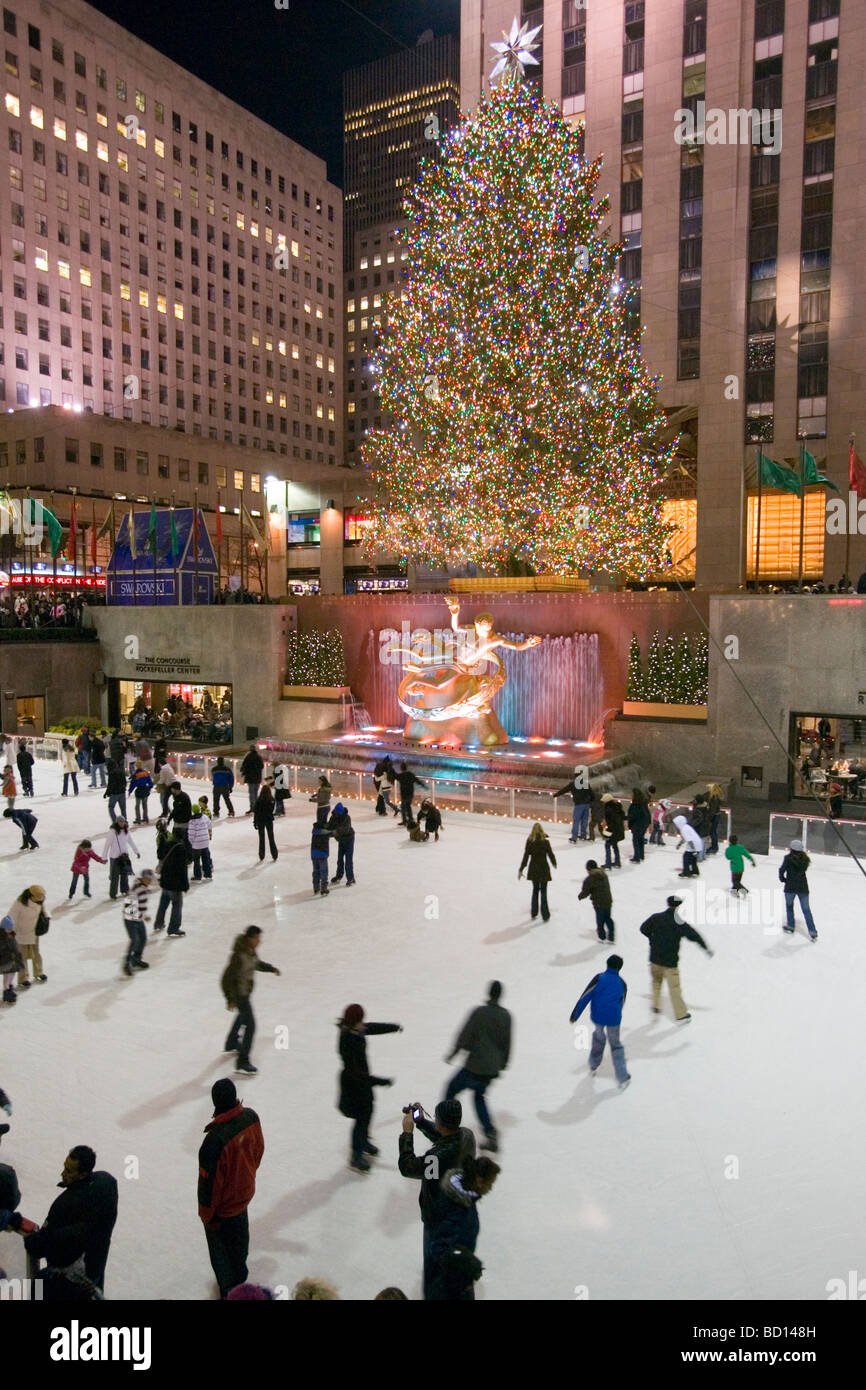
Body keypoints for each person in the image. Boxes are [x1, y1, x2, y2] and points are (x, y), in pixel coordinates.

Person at [398, 1099, 476, 1301]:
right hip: (461, 1213)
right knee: (458, 1265)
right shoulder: (467, 1136)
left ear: (440, 1122)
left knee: (434, 1269)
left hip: (438, 1218)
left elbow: (408, 1167)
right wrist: (421, 1121)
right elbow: (444, 1139)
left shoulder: (435, 1158)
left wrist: (407, 1133)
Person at [198, 1079, 264, 1298]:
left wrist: (208, 1216)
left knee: (221, 1254)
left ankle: (230, 1290)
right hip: (243, 1198)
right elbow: (258, 1152)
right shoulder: (251, 1118)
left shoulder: (214, 1141)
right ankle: (240, 1277)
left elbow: (209, 1187)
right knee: (239, 1241)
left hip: (222, 1210)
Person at [21, 1147, 118, 1295]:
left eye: (69, 1171)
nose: (63, 1173)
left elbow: (40, 1245)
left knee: (38, 1287)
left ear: (83, 1174)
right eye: (64, 1167)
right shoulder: (106, 1183)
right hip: (93, 1272)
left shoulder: (65, 1205)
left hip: (66, 1281)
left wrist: (33, 1241)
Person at [443, 981, 511, 1153]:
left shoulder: (479, 1013)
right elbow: (507, 1043)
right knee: (478, 1097)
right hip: (490, 1070)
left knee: (451, 1090)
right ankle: (490, 1133)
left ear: (489, 993)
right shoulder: (506, 1016)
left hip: (474, 1067)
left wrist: (455, 1052)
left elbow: (465, 1034)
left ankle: (445, 1129)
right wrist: (502, 1064)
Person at [337, 1004, 401, 1172]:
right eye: (360, 1020)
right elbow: (357, 1075)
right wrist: (381, 1081)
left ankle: (363, 1141)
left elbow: (371, 1027)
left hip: (361, 1081)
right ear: (354, 1021)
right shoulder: (348, 1039)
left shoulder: (354, 1029)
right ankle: (356, 1156)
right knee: (361, 1119)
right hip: (355, 1084)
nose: (363, 1023)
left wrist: (392, 1027)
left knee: (368, 1113)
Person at [429, 1154, 500, 1296]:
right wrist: (465, 1260)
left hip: (460, 1276)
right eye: (490, 1183)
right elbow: (438, 1250)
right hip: (450, 1285)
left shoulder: (466, 1200)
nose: (491, 1188)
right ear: (479, 1180)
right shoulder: (455, 1208)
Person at [640, 895, 713, 1023]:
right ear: (678, 906)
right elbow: (694, 935)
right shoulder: (679, 923)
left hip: (654, 959)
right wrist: (705, 947)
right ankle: (681, 1014)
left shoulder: (656, 917)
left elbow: (643, 928)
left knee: (656, 982)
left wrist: (652, 939)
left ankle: (655, 1005)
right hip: (670, 962)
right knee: (674, 988)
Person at [220, 926, 281, 1074]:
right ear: (249, 938)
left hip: (245, 992)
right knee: (251, 1026)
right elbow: (226, 979)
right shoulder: (238, 956)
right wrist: (229, 998)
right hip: (239, 994)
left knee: (242, 1016)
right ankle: (243, 1061)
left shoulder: (249, 951)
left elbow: (257, 964)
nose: (259, 942)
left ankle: (231, 1042)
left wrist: (271, 969)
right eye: (257, 938)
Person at [569, 953, 631, 1088]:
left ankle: (593, 1063)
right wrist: (617, 1013)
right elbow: (623, 1001)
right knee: (615, 1044)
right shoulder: (622, 983)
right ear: (620, 968)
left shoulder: (599, 979)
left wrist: (575, 1014)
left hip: (598, 1016)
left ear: (607, 964)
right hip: (614, 1018)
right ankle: (622, 1076)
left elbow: (585, 996)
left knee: (598, 1037)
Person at [153, 831, 193, 936]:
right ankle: (173, 928)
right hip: (175, 885)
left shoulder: (167, 845)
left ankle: (158, 923)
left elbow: (160, 855)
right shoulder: (181, 849)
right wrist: (185, 885)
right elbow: (182, 869)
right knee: (177, 906)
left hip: (165, 881)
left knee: (163, 904)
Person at [8, 885, 49, 988]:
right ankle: (23, 979)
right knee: (22, 956)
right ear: (31, 896)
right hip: (21, 933)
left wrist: (47, 917)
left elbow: (44, 910)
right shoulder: (19, 904)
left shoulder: (39, 901)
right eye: (38, 898)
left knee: (36, 953)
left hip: (34, 932)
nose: (41, 900)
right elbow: (11, 917)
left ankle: (38, 972)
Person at [779, 839, 818, 940]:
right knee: (806, 910)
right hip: (803, 888)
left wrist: (783, 879)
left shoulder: (787, 859)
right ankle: (812, 931)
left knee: (789, 906)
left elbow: (781, 870)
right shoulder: (805, 860)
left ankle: (791, 926)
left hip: (790, 887)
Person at [518, 822, 556, 921]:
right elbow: (551, 854)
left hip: (534, 868)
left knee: (535, 890)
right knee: (544, 891)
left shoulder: (530, 842)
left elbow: (526, 856)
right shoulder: (545, 842)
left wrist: (521, 868)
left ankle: (534, 912)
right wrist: (554, 863)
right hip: (543, 868)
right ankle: (545, 914)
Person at [122, 869, 156, 976]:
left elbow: (142, 906)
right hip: (130, 919)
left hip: (138, 918)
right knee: (134, 940)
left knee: (143, 938)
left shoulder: (143, 888)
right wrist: (142, 916)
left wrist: (143, 916)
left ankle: (136, 959)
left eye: (150, 879)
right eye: (148, 879)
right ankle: (127, 963)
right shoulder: (136, 890)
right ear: (143, 878)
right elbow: (129, 906)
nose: (150, 881)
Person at [102, 819, 140, 900]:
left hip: (124, 856)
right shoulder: (112, 832)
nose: (122, 823)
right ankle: (113, 894)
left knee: (124, 875)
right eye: (120, 822)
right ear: (117, 822)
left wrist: (136, 851)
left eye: (123, 822)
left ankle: (125, 890)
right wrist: (104, 857)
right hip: (114, 857)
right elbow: (107, 844)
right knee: (114, 877)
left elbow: (131, 842)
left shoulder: (126, 831)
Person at [578, 860, 615, 942]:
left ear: (589, 868)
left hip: (599, 903)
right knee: (608, 918)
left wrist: (580, 896)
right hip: (608, 900)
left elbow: (585, 892)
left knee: (600, 920)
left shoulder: (590, 879)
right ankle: (611, 936)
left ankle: (602, 937)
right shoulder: (604, 874)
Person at [554, 768, 595, 842]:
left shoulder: (573, 784)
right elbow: (592, 794)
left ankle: (574, 837)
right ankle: (583, 835)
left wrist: (556, 794)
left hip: (579, 805)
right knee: (584, 820)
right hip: (586, 804)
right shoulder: (585, 783)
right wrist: (590, 801)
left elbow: (564, 790)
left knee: (576, 821)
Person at [328, 802, 355, 885]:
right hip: (341, 840)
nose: (337, 814)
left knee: (348, 860)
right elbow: (329, 826)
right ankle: (339, 875)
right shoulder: (333, 817)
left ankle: (351, 878)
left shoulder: (347, 818)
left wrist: (333, 833)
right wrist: (323, 829)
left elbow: (344, 830)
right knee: (340, 859)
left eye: (339, 813)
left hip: (349, 839)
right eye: (336, 812)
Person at [0, 914, 25, 1005]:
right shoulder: (1, 938)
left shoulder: (11, 936)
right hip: (5, 962)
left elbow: (16, 947)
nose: (10, 930)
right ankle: (7, 991)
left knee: (11, 975)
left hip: (13, 961)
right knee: (7, 977)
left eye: (11, 929)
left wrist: (18, 956)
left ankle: (9, 988)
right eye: (8, 929)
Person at [397, 762, 428, 829]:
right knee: (408, 806)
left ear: (401, 768)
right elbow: (417, 781)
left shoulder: (400, 775)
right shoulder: (410, 774)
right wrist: (424, 785)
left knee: (403, 807)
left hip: (404, 794)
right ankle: (410, 820)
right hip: (410, 794)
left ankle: (405, 821)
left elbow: (393, 776)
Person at [253, 783, 278, 862]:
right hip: (269, 820)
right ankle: (274, 854)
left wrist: (255, 822)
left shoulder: (259, 800)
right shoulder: (272, 800)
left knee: (261, 838)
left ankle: (261, 854)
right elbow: (271, 810)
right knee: (271, 837)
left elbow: (256, 812)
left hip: (260, 820)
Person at [599, 793, 625, 869]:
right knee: (614, 845)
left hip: (614, 831)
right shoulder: (617, 807)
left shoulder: (608, 810)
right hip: (620, 830)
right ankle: (617, 862)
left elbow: (611, 823)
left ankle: (608, 863)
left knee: (607, 845)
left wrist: (607, 832)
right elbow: (622, 817)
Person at [188, 806, 214, 881]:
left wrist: (192, 843)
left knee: (196, 860)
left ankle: (197, 876)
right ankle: (208, 874)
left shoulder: (192, 821)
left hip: (197, 844)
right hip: (205, 842)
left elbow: (191, 834)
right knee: (206, 859)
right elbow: (210, 825)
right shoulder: (205, 817)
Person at [626, 788, 651, 863]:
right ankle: (641, 855)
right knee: (640, 839)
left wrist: (626, 818)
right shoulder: (644, 803)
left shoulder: (635, 804)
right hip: (644, 824)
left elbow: (633, 816)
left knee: (636, 840)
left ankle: (637, 857)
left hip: (637, 825)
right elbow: (648, 813)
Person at [240, 743, 264, 815]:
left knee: (251, 794)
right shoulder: (259, 757)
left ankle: (253, 808)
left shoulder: (248, 757)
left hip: (250, 778)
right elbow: (262, 766)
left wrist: (244, 773)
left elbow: (244, 766)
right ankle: (256, 807)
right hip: (257, 778)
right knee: (255, 793)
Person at [104, 758, 128, 824]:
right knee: (123, 808)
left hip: (114, 793)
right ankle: (124, 821)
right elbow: (125, 782)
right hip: (122, 792)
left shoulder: (111, 773)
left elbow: (110, 784)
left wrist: (107, 793)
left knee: (111, 807)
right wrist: (123, 788)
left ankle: (115, 822)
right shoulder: (121, 771)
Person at [311, 820, 331, 895]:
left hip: (314, 854)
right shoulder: (325, 832)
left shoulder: (314, 832)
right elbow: (333, 833)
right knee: (324, 871)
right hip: (322, 854)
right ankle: (324, 888)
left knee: (316, 871)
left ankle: (316, 888)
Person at [706, 783, 724, 854]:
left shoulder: (714, 798)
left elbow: (713, 810)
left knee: (712, 832)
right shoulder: (716, 797)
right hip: (716, 815)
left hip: (714, 816)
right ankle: (714, 846)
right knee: (713, 832)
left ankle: (714, 847)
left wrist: (709, 818)